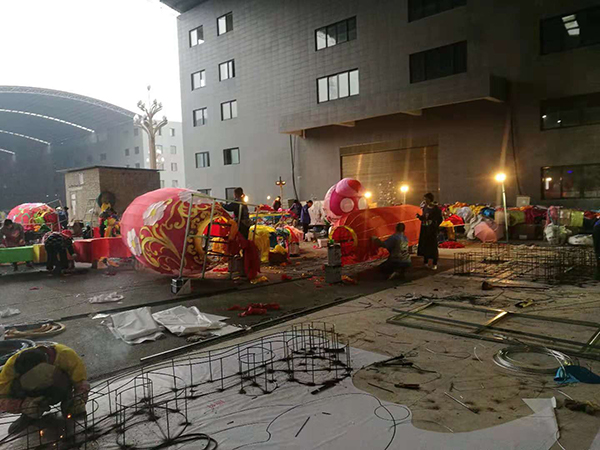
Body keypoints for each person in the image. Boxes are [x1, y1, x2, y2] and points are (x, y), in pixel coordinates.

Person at [0, 344, 89, 435]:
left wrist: (79, 398)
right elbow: (1, 397)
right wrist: (23, 405)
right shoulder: (11, 366)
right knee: (15, 387)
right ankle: (29, 415)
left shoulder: (66, 355)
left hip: (57, 387)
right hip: (29, 394)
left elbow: (80, 383)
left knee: (63, 378)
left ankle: (69, 404)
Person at [417, 192, 443, 270]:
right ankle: (425, 261)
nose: (425, 201)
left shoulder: (436, 209)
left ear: (430, 199)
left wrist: (434, 224)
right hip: (425, 229)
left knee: (433, 246)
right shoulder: (425, 208)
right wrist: (420, 217)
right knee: (425, 245)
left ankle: (434, 263)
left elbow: (439, 219)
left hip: (432, 230)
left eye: (426, 199)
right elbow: (424, 217)